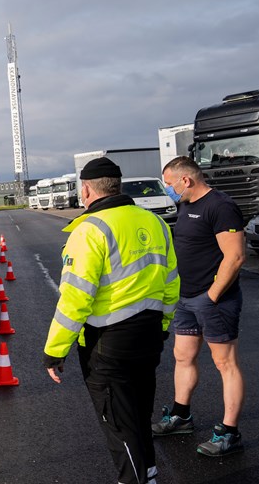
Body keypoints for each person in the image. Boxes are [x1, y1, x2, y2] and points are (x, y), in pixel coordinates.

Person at [44, 157, 180, 484]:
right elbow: (172, 282)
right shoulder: (155, 223)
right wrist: (161, 327)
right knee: (138, 418)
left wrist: (54, 351)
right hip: (149, 335)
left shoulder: (90, 229)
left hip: (107, 343)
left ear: (87, 190)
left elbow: (76, 298)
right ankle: (147, 475)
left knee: (120, 427)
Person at [152, 156, 246, 457]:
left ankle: (229, 433)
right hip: (186, 297)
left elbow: (235, 257)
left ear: (186, 180)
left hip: (213, 300)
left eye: (169, 184)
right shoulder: (186, 205)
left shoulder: (221, 206)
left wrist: (213, 295)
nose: (168, 190)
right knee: (182, 356)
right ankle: (181, 416)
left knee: (224, 363)